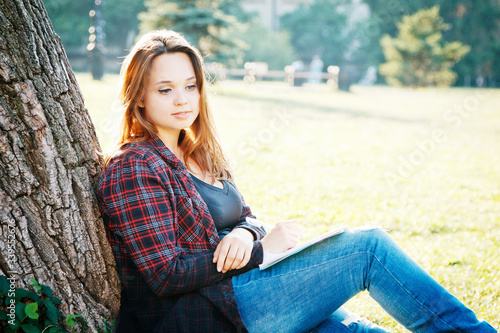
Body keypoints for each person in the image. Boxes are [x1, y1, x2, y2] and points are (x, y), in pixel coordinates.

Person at [97, 30, 496, 333]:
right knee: (367, 248)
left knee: (348, 330)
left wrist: (245, 235)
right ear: (140, 98)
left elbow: (247, 216)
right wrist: (256, 251)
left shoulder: (198, 151)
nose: (182, 99)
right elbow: (166, 274)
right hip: (207, 314)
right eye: (165, 90)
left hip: (246, 290)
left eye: (191, 86)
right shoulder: (135, 166)